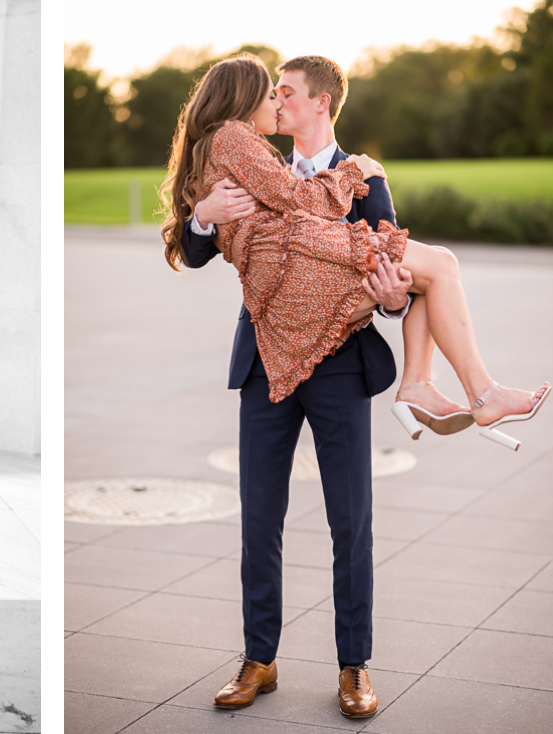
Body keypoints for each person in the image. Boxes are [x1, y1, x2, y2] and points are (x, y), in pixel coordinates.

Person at [163, 54, 549, 718]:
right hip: (262, 362)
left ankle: (354, 666)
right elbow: (199, 248)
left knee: (352, 521)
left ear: (323, 104)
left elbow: (398, 288)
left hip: (341, 362)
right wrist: (201, 214)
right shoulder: (258, 163)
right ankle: (259, 658)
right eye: (273, 93)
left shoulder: (367, 181)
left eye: (288, 94)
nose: (278, 102)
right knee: (259, 518)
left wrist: (395, 300)